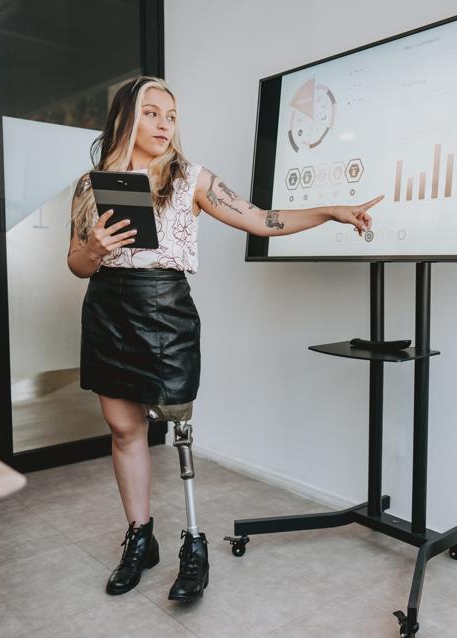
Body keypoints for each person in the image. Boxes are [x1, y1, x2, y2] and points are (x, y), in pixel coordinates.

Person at [67, 76, 383, 601]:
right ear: (126, 117)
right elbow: (76, 264)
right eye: (151, 112)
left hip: (164, 309)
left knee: (178, 428)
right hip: (106, 309)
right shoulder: (89, 184)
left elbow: (260, 221)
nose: (165, 123)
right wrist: (96, 247)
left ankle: (195, 543)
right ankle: (141, 539)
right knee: (123, 430)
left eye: (171, 114)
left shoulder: (188, 178)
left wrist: (329, 210)